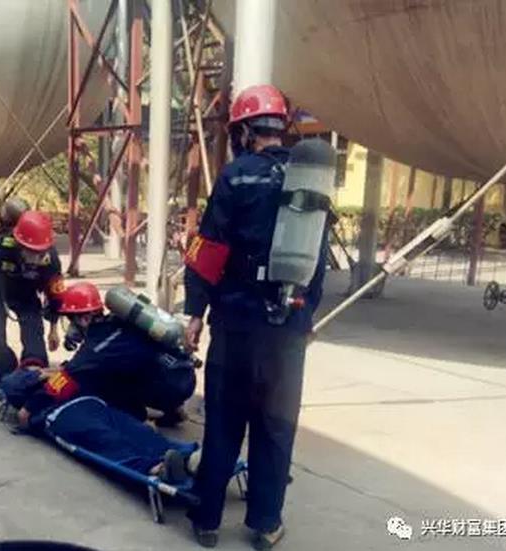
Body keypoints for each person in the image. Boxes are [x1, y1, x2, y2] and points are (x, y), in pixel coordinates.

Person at [183, 84, 331, 549]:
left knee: (224, 420)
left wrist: (194, 313)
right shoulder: (311, 181)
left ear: (244, 131)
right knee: (275, 426)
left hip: (236, 323)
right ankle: (265, 524)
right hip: (287, 327)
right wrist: (306, 318)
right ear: (280, 128)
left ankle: (207, 520)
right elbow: (318, 262)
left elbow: (209, 251)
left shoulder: (237, 176)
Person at [0, 362, 200, 485]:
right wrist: (41, 375)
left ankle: (188, 458)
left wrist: (56, 372)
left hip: (93, 403)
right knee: (106, 440)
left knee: (137, 430)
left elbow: (75, 372)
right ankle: (155, 469)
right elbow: (15, 393)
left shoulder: (62, 372)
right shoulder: (18, 379)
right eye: (32, 367)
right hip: (61, 414)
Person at [57, 282, 196, 425]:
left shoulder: (95, 349)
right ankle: (174, 409)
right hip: (184, 373)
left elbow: (71, 374)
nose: (71, 328)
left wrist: (48, 378)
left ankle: (136, 419)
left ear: (85, 318)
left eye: (71, 320)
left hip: (169, 388)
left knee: (97, 382)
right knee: (135, 366)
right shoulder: (121, 319)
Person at [0, 210, 64, 380]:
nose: (35, 258)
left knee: (34, 336)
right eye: (30, 251)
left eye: (40, 252)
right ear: (17, 242)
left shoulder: (51, 258)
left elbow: (55, 294)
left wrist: (54, 328)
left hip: (27, 296)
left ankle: (33, 375)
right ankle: (9, 379)